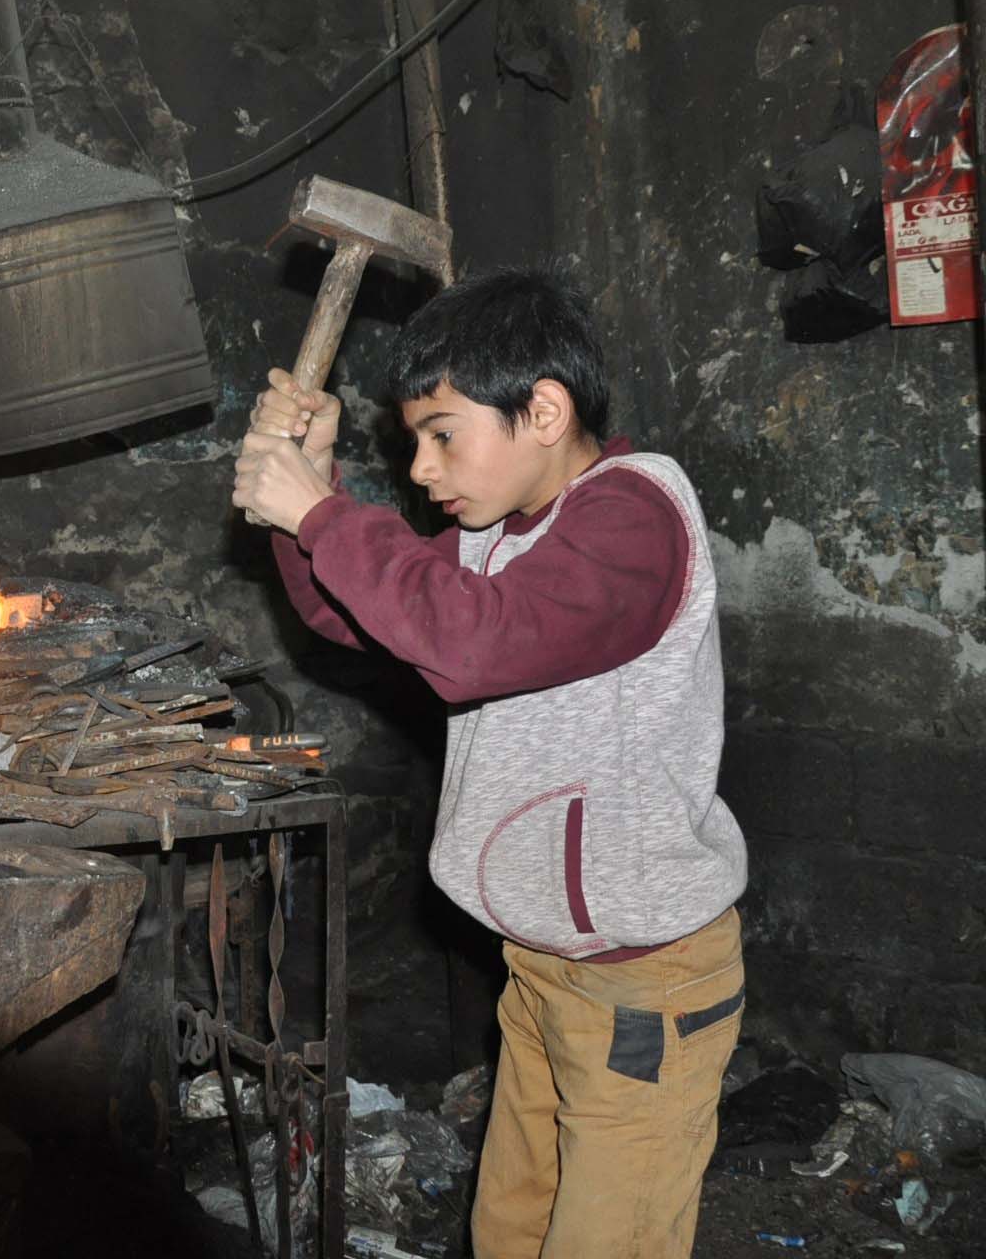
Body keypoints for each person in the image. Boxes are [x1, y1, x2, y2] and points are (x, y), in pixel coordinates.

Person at [231, 269, 746, 1259]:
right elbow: (359, 612)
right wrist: (316, 484)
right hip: (542, 966)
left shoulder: (633, 514)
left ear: (542, 409)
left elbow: (473, 639)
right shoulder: (494, 535)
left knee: (608, 1237)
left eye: (440, 434)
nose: (422, 471)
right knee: (511, 1221)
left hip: (640, 980)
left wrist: (319, 516)